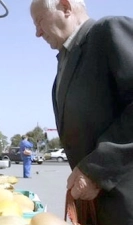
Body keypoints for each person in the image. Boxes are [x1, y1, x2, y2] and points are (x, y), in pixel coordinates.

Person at [30, 0, 133, 224]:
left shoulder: (109, 31)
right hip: (96, 205)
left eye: (39, 21)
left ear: (66, 7)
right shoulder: (64, 64)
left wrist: (97, 169)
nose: (37, 33)